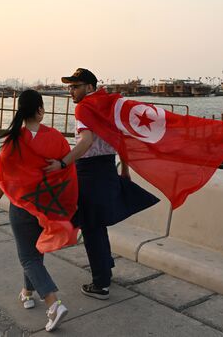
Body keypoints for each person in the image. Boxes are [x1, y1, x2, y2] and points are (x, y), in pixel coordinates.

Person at [44, 68, 158, 300]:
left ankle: (100, 284)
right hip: (107, 168)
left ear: (89, 87)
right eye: (70, 87)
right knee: (99, 224)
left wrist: (63, 163)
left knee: (91, 226)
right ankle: (106, 270)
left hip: (89, 173)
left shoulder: (84, 108)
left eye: (75, 86)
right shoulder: (108, 106)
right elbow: (123, 138)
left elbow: (85, 141)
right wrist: (124, 170)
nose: (71, 91)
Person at [0, 89, 76, 332]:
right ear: (40, 110)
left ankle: (53, 303)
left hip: (22, 206)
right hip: (47, 207)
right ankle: (27, 292)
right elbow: (68, 172)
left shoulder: (13, 140)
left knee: (27, 257)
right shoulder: (56, 138)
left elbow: (2, 178)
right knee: (35, 254)